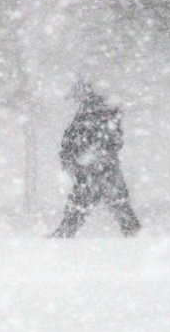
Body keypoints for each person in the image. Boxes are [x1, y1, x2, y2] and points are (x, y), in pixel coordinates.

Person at [51, 80, 141, 238]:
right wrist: (70, 157)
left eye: (76, 96)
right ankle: (134, 233)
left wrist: (84, 157)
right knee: (114, 201)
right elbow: (75, 140)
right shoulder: (89, 112)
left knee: (86, 202)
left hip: (96, 167)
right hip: (95, 167)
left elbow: (103, 140)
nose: (75, 100)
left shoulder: (95, 113)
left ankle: (64, 234)